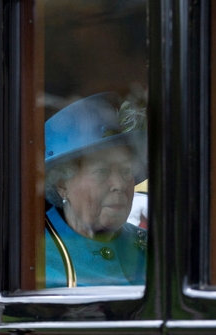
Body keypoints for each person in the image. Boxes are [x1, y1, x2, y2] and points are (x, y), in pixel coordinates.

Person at [43, 92, 147, 288]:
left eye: (126, 170)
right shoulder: (29, 259)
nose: (119, 184)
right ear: (62, 184)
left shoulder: (150, 249)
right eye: (102, 171)